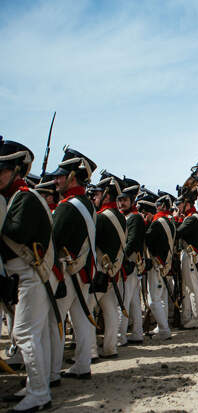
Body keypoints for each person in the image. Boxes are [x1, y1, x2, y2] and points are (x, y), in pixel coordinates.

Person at [0, 139, 56, 412]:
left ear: (16, 170)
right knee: (37, 334)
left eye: (2, 170)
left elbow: (15, 232)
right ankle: (38, 385)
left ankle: (38, 392)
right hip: (22, 274)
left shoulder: (25, 198)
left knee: (24, 333)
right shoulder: (16, 198)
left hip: (29, 274)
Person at [49, 147, 98, 382]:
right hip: (83, 272)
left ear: (72, 176)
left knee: (54, 321)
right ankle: (82, 364)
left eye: (60, 175)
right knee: (81, 319)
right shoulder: (86, 203)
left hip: (67, 273)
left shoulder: (69, 206)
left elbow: (51, 237)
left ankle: (49, 373)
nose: (56, 179)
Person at [91, 171, 127, 358]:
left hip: (99, 270)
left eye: (97, 194)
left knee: (88, 310)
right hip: (113, 269)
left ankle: (89, 352)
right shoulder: (120, 216)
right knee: (111, 310)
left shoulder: (102, 217)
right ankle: (110, 347)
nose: (94, 197)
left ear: (106, 195)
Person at [144, 190, 177, 340]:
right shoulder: (169, 222)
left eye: (158, 205)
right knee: (162, 298)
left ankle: (164, 330)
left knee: (153, 300)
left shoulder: (158, 223)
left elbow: (148, 240)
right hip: (165, 263)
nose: (155, 207)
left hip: (157, 263)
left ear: (163, 205)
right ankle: (161, 327)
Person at [117, 177, 145, 346]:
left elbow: (132, 242)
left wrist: (120, 258)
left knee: (124, 300)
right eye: (119, 200)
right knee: (134, 301)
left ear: (131, 200)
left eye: (125, 200)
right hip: (132, 264)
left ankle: (120, 336)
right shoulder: (129, 217)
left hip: (129, 263)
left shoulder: (134, 218)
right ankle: (137, 333)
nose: (121, 203)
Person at [175, 187, 198, 329]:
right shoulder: (191, 217)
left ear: (187, 204)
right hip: (189, 255)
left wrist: (174, 218)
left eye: (179, 204)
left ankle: (197, 317)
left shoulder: (191, 219)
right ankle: (190, 316)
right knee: (189, 288)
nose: (177, 207)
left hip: (190, 255)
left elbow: (177, 232)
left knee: (193, 288)